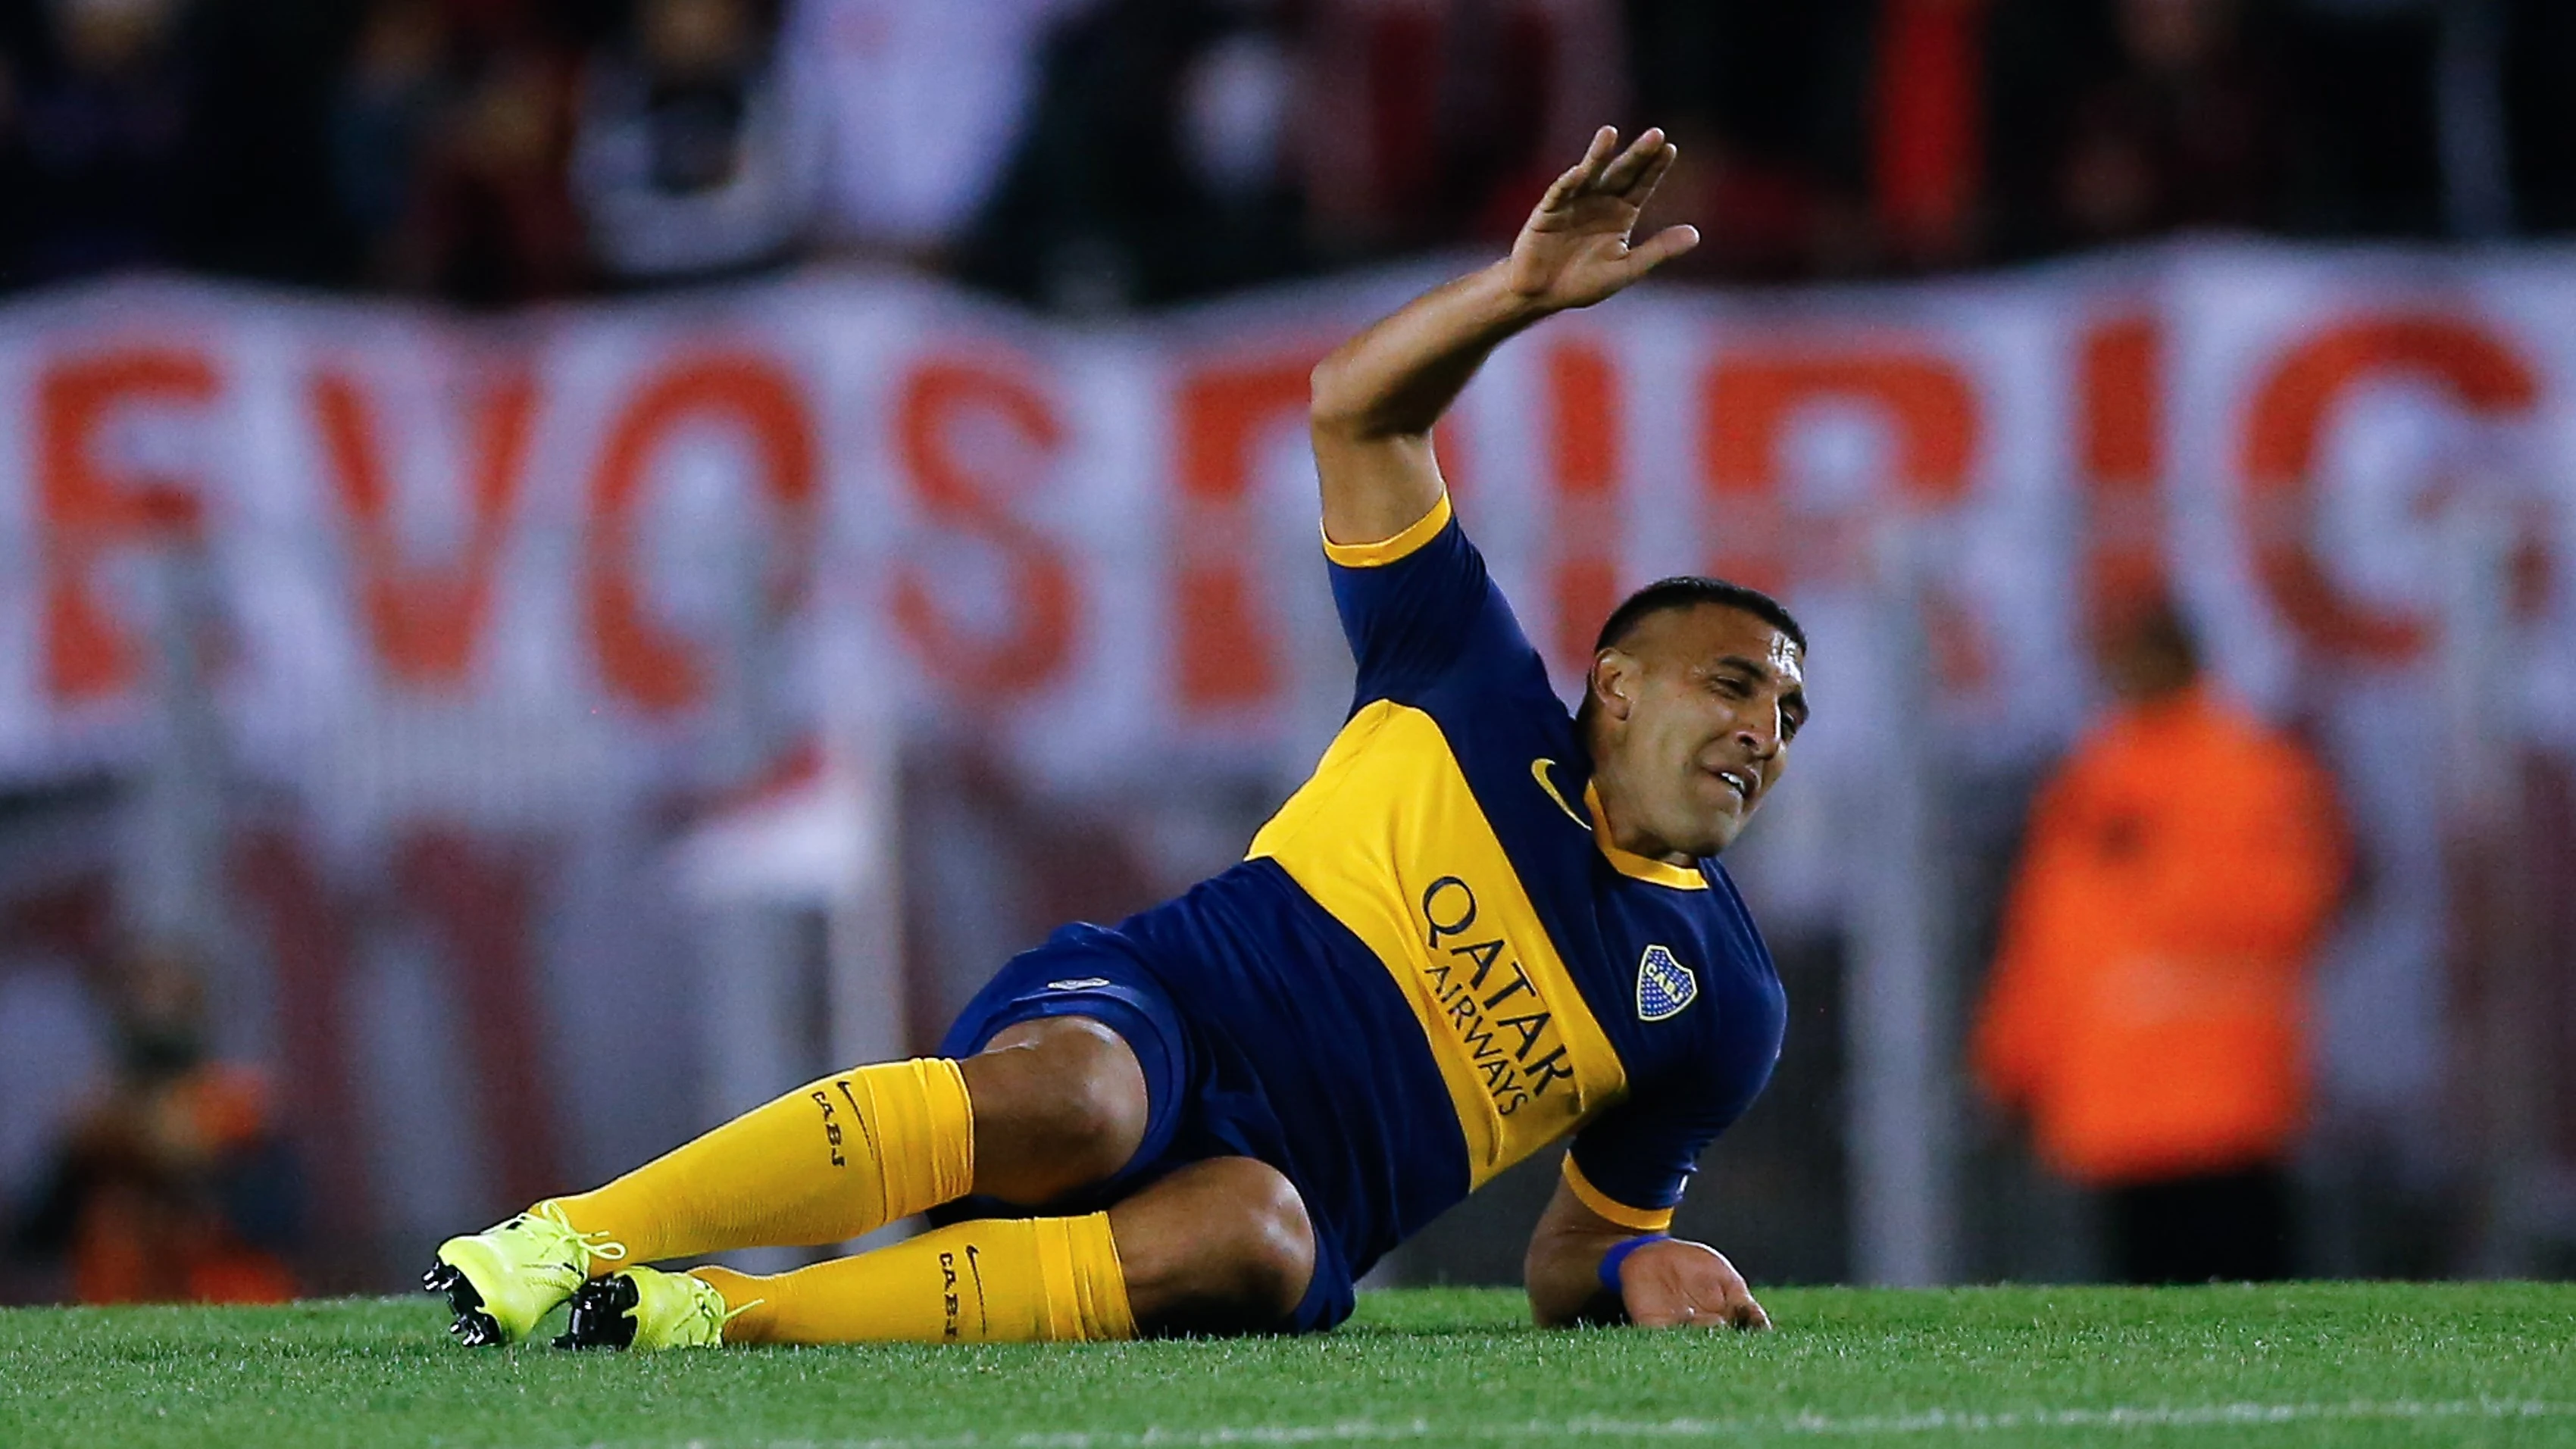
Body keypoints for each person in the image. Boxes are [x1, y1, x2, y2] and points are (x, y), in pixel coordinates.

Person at [427, 126, 1804, 1349]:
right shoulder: (1467, 682)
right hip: (1160, 1022)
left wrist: (1640, 1256)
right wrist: (1508, 299)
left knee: (1256, 1245)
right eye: (1735, 682)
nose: (1765, 727)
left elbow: (1566, 1257)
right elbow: (1352, 410)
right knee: (1085, 1103)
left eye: (1789, 711)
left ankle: (712, 1313)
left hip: (1289, 1201)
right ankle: (572, 1237)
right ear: (1616, 683)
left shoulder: (1723, 1002)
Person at [1971, 596, 2347, 1283]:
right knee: (2145, 1307)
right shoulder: (2093, 775)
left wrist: (2159, 872)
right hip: (2115, 1105)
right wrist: (2013, 1063)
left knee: (2248, 1296)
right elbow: (2050, 937)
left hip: (2225, 1098)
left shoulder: (2250, 768)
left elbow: (2295, 902)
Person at [13, 945, 302, 1305]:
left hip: (233, 1318)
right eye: (139, 996)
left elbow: (280, 1224)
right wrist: (82, 1156)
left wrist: (197, 1169)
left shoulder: (239, 1108)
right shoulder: (98, 1122)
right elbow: (34, 1237)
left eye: (172, 998)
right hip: (118, 1323)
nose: (153, 1011)